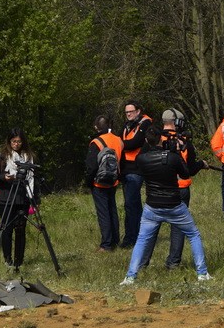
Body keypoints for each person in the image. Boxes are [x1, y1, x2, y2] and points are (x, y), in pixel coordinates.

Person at [120, 126, 212, 284]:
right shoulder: (172, 157)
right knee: (193, 235)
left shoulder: (141, 159)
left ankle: (130, 276)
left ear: (147, 141)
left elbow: (143, 162)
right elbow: (185, 173)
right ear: (160, 141)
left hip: (152, 206)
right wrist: (176, 153)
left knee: (142, 240)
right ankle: (202, 273)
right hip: (174, 205)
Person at [159, 109, 207, 269]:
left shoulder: (154, 140)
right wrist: (201, 164)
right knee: (178, 226)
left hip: (158, 190)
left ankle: (141, 263)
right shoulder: (184, 142)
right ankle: (173, 262)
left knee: (150, 228)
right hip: (180, 189)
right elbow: (191, 169)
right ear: (177, 123)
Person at [0, 129, 36, 269]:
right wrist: (4, 177)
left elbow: (32, 178)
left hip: (22, 197)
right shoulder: (2, 155)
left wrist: (34, 199)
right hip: (6, 197)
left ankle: (19, 261)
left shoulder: (28, 156)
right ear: (9, 141)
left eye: (19, 141)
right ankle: (8, 260)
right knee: (6, 228)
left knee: (21, 229)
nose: (16, 144)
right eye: (13, 141)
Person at [85, 116, 122, 252]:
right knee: (112, 210)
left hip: (99, 182)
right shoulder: (118, 139)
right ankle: (115, 240)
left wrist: (89, 183)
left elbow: (92, 167)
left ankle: (106, 245)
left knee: (103, 213)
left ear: (96, 127)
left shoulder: (96, 142)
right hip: (114, 180)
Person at [120, 100, 152, 247]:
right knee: (132, 204)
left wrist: (120, 145)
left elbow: (135, 142)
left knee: (131, 204)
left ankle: (131, 238)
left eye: (131, 111)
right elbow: (123, 140)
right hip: (126, 168)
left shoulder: (145, 123)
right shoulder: (128, 125)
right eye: (126, 112)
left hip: (136, 169)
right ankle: (137, 235)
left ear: (138, 111)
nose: (128, 114)